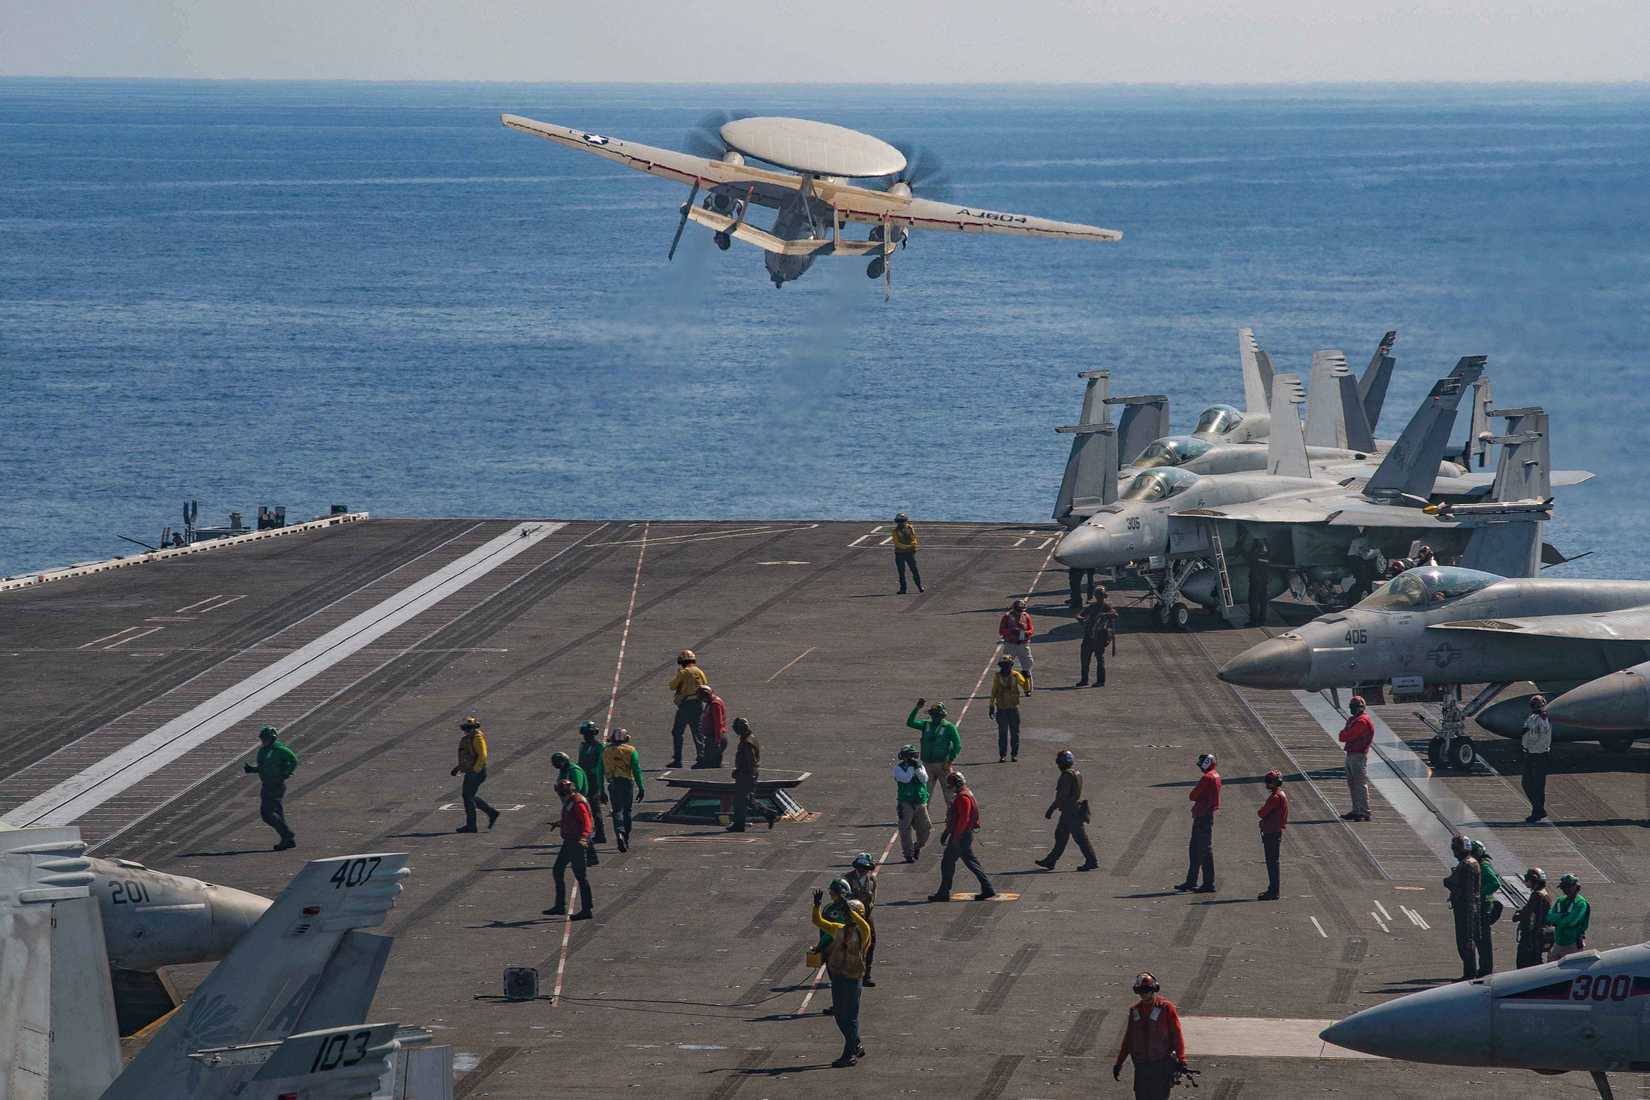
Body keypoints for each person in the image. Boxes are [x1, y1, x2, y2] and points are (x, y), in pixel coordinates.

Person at [812, 885, 871, 1067]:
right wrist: (816, 906)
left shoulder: (864, 932)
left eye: (848, 913)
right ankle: (855, 1045)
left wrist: (850, 910)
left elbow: (861, 923)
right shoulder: (837, 928)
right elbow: (818, 921)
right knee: (839, 1014)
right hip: (838, 975)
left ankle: (851, 1052)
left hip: (853, 977)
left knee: (850, 1017)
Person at [1112, 972, 1187, 1100]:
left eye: (1146, 990)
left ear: (1153, 990)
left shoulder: (1166, 1008)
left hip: (1161, 1067)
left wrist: (1181, 1059)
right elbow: (1129, 1039)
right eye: (1141, 990)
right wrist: (1119, 1062)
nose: (1143, 994)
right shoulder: (1135, 1011)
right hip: (1141, 1067)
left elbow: (1177, 1034)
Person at [928, 772, 996, 901]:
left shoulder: (962, 798)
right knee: (971, 862)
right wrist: (947, 832)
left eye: (951, 786)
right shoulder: (966, 793)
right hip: (964, 835)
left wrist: (955, 837)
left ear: (957, 784)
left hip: (961, 836)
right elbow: (957, 818)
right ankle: (988, 888)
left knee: (947, 862)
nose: (950, 789)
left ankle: (944, 892)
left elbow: (963, 820)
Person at [1036, 749, 1098, 871]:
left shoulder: (1066, 776)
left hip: (1070, 813)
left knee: (1080, 838)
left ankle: (1092, 861)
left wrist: (1051, 809)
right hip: (1072, 810)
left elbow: (1061, 797)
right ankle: (1051, 860)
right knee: (1061, 836)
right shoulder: (1077, 773)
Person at [544, 778, 594, 921]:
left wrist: (584, 838)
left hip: (577, 842)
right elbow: (573, 819)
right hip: (569, 841)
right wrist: (560, 823)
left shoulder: (577, 802)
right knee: (558, 869)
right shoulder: (570, 801)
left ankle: (586, 909)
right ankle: (560, 906)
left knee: (580, 876)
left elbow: (587, 823)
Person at [243, 725, 298, 850]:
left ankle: (287, 834)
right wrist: (253, 769)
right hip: (267, 784)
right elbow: (263, 767)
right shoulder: (263, 751)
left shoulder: (280, 749)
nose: (263, 741)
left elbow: (293, 760)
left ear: (272, 738)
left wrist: (285, 773)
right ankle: (288, 840)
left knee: (267, 814)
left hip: (276, 785)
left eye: (265, 738)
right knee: (277, 813)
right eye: (262, 739)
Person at [1175, 754, 1220, 894]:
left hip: (1202, 816)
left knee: (1203, 850)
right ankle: (1191, 881)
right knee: (1195, 849)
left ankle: (1208, 883)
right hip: (1205, 815)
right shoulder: (1216, 775)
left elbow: (1193, 796)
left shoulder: (1207, 778)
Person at [907, 698, 962, 804]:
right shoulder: (926, 724)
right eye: (933, 715)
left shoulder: (949, 727)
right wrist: (917, 708)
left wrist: (950, 761)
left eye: (937, 715)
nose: (934, 718)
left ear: (942, 716)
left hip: (943, 765)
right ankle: (923, 818)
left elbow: (957, 745)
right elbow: (910, 723)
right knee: (925, 794)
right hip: (927, 765)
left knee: (949, 793)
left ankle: (952, 817)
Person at [450, 716, 499, 833]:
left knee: (467, 796)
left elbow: (483, 756)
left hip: (476, 772)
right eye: (466, 728)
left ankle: (472, 825)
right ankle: (491, 813)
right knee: (469, 796)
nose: (467, 730)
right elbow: (468, 757)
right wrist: (458, 768)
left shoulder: (477, 738)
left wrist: (475, 770)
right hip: (472, 771)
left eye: (469, 728)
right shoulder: (469, 738)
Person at [1444, 834, 1483, 981]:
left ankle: (1469, 973)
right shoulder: (1473, 862)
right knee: (1468, 940)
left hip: (1465, 907)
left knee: (1465, 941)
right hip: (1471, 905)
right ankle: (1469, 972)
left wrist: (1447, 881)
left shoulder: (1466, 864)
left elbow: (1452, 882)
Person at [728, 717, 776, 831]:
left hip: (746, 775)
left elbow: (751, 761)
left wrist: (742, 772)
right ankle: (769, 814)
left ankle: (739, 825)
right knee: (748, 800)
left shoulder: (747, 742)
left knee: (740, 801)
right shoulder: (749, 738)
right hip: (747, 774)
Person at [551, 752, 598, 866]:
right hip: (569, 803)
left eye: (556, 763)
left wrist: (573, 803)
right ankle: (590, 857)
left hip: (577, 804)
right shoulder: (564, 770)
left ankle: (590, 856)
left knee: (582, 827)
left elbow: (577, 788)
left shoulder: (573, 771)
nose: (555, 766)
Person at [602, 728, 644, 851]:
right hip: (627, 783)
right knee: (627, 811)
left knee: (617, 811)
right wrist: (641, 787)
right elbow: (636, 770)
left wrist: (601, 789)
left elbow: (600, 770)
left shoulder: (605, 751)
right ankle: (626, 837)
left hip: (614, 783)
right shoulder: (631, 751)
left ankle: (619, 832)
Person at [666, 649, 708, 768]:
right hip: (698, 705)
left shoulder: (683, 672)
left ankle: (677, 760)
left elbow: (672, 686)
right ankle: (701, 758)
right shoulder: (700, 672)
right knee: (697, 732)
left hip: (686, 705)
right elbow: (705, 685)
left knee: (677, 732)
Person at [845, 853, 879, 987]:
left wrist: (867, 913)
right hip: (850, 917)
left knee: (871, 942)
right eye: (860, 867)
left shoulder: (872, 880)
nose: (862, 870)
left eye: (865, 868)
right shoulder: (847, 879)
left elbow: (873, 899)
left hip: (866, 916)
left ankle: (866, 974)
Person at [1338, 696, 1374, 822]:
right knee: (1354, 784)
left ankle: (1363, 811)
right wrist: (1345, 733)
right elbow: (1344, 735)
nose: (1352, 709)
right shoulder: (1355, 720)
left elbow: (1345, 736)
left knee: (1359, 784)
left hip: (1357, 755)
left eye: (1354, 707)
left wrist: (1345, 733)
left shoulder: (1361, 721)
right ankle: (1357, 810)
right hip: (1352, 754)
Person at [893, 745, 931, 862]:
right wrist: (911, 768)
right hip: (905, 803)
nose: (912, 759)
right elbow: (906, 779)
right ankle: (908, 854)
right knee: (905, 829)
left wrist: (917, 768)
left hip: (920, 802)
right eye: (909, 756)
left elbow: (924, 779)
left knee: (925, 828)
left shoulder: (919, 766)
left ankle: (917, 846)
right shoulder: (898, 769)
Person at [988, 654, 1030, 762]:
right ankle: (1003, 755)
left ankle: (1014, 754)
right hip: (1001, 709)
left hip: (1013, 708)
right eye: (1004, 665)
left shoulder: (1016, 675)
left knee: (1015, 733)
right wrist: (991, 706)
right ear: (1001, 666)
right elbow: (994, 691)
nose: (1006, 667)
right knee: (1002, 734)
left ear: (1011, 665)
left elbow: (1025, 686)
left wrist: (1027, 678)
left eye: (1008, 665)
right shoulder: (997, 676)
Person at [1470, 839, 1502, 976]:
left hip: (1484, 907)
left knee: (1483, 940)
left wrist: (1479, 893)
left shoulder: (1483, 866)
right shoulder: (1481, 864)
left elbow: (1495, 883)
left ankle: (1485, 969)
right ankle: (1484, 967)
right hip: (1482, 905)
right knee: (1480, 939)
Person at [1077, 588, 1118, 687]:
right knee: (1084, 658)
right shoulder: (1092, 606)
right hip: (1088, 635)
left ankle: (1100, 681)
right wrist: (1081, 619)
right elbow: (1079, 615)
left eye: (1101, 595)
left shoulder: (1106, 606)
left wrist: (1104, 615)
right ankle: (1084, 680)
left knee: (1099, 658)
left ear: (1103, 597)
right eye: (1098, 595)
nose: (1099, 597)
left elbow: (1115, 614)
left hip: (1100, 636)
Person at [1257, 769, 1288, 900]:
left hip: (1272, 832)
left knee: (1272, 862)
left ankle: (1273, 890)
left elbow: (1262, 813)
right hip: (1274, 830)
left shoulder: (1275, 797)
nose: (1267, 784)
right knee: (1272, 862)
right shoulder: (1280, 794)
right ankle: (1273, 889)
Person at [1513, 867, 1553, 968]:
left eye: (1528, 879)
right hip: (1538, 936)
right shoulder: (1544, 893)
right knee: (1535, 961)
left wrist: (1519, 916)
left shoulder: (1537, 896)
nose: (1526, 881)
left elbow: (1530, 915)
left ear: (1533, 881)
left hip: (1531, 937)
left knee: (1525, 963)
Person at [1521, 695, 1552, 823]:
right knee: (1528, 784)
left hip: (1539, 755)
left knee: (1536, 785)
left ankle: (1538, 811)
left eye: (1537, 705)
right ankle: (1538, 810)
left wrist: (1534, 749)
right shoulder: (1533, 718)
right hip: (1531, 754)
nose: (1535, 707)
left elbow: (1544, 736)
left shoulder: (1543, 719)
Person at [577, 720, 607, 844]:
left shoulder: (599, 747)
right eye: (586, 733)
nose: (587, 736)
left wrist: (591, 771)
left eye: (589, 734)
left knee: (595, 809)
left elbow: (601, 765)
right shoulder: (583, 746)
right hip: (583, 780)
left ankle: (600, 834)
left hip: (594, 781)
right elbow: (580, 761)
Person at [1546, 873, 1590, 959]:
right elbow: (1549, 916)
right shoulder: (1560, 900)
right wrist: (1562, 916)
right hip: (1558, 942)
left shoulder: (1580, 903)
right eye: (1563, 888)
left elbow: (1571, 922)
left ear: (1575, 887)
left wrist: (1557, 919)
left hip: (1572, 944)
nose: (1565, 890)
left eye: (1567, 887)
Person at [998, 599, 1035, 690]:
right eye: (1018, 610)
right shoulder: (1007, 617)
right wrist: (1011, 631)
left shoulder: (1026, 616)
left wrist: (1027, 633)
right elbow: (1001, 631)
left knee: (1027, 665)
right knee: (1005, 666)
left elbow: (1031, 629)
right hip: (1010, 644)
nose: (1020, 613)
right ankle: (1005, 686)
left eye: (1021, 611)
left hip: (1023, 644)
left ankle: (1027, 688)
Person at [697, 684, 728, 769]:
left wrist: (717, 741)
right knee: (710, 763)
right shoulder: (711, 702)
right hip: (712, 737)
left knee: (709, 764)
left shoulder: (715, 704)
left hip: (714, 738)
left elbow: (718, 723)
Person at [892, 512, 923, 594]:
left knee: (914, 570)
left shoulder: (910, 527)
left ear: (905, 521)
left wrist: (914, 544)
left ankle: (919, 586)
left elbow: (914, 538)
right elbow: (897, 543)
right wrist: (909, 546)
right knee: (901, 572)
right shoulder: (895, 531)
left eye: (902, 521)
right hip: (900, 553)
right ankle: (903, 589)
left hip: (909, 553)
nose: (900, 523)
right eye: (899, 521)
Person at [1246, 538, 1271, 626]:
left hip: (1255, 582)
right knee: (1263, 601)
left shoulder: (1254, 556)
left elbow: (1248, 559)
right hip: (1264, 582)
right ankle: (1262, 619)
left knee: (1253, 601)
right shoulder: (1267, 556)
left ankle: (1254, 620)